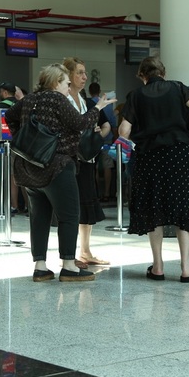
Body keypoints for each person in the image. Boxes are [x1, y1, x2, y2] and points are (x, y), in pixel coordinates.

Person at [5, 63, 115, 282]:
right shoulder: (57, 99)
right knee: (69, 215)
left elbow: (9, 116)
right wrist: (98, 107)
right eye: (66, 83)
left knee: (39, 218)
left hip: (29, 168)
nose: (68, 88)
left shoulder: (29, 100)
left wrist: (26, 137)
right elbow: (81, 123)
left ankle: (40, 266)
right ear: (56, 82)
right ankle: (69, 266)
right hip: (57, 165)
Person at [119, 57, 189, 282]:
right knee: (182, 207)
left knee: (154, 208)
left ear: (143, 75)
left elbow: (124, 130)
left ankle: (158, 267)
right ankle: (186, 269)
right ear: (163, 72)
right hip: (178, 155)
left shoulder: (136, 96)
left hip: (149, 156)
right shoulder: (178, 88)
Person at [62, 57, 110, 267]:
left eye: (85, 72)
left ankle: (85, 250)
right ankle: (70, 254)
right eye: (80, 72)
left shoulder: (87, 102)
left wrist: (96, 137)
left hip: (87, 158)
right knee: (71, 207)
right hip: (70, 160)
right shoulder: (63, 100)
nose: (84, 76)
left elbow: (105, 125)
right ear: (69, 76)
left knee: (87, 204)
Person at [0, 82, 20, 213]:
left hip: (8, 145)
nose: (0, 93)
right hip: (23, 144)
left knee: (12, 177)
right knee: (23, 175)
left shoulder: (1, 106)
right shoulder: (21, 103)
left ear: (5, 92)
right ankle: (28, 207)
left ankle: (14, 206)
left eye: (1, 91)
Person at [88, 82, 118, 203]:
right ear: (99, 91)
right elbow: (113, 124)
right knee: (107, 166)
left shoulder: (90, 103)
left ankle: (95, 192)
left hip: (92, 139)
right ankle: (106, 193)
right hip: (107, 138)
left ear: (90, 91)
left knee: (93, 166)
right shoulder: (108, 105)